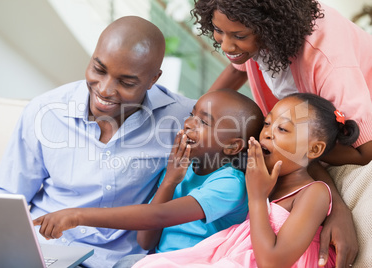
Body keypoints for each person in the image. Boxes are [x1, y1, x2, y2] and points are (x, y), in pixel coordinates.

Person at [0, 16, 196, 267]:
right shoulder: (45, 111)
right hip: (49, 251)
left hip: (125, 260)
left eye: (127, 82)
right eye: (99, 70)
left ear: (154, 79)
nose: (106, 90)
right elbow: (9, 195)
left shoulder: (183, 120)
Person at [191, 0, 372, 266]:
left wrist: (338, 208)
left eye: (239, 36)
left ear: (270, 25)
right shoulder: (254, 32)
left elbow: (363, 151)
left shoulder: (326, 57)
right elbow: (235, 68)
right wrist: (197, 116)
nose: (226, 46)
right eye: (218, 31)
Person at [32, 89, 264, 267]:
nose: (189, 123)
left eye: (204, 122)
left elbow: (157, 216)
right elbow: (145, 241)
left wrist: (77, 215)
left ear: (233, 146)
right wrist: (170, 180)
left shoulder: (231, 184)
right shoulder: (181, 168)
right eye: (192, 114)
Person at [131, 93, 360, 268]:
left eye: (282, 129)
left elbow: (272, 262)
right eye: (268, 124)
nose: (267, 134)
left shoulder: (313, 193)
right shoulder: (258, 179)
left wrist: (258, 197)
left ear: (314, 149)